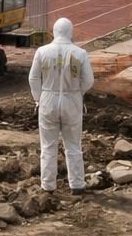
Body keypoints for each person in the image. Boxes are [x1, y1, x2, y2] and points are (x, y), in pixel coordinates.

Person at [28, 17, 95, 193]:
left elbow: (33, 78)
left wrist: (38, 98)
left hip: (48, 99)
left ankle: (48, 185)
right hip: (71, 99)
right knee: (73, 145)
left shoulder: (42, 52)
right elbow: (88, 80)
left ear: (54, 31)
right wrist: (77, 93)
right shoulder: (80, 53)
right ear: (70, 32)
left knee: (48, 146)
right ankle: (77, 185)